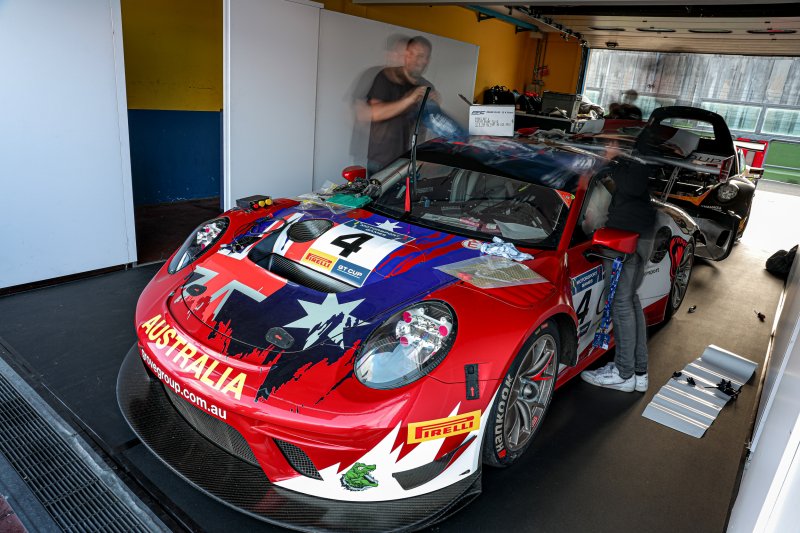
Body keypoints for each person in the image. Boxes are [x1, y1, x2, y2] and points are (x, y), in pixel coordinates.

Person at [580, 152, 657, 393]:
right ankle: (639, 373)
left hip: (622, 235)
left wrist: (610, 160)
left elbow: (631, 185)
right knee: (630, 300)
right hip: (640, 232)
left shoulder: (631, 156)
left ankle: (624, 374)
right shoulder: (640, 157)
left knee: (621, 304)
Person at [365, 36, 436, 174]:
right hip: (382, 161)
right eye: (411, 54)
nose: (415, 59)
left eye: (421, 56)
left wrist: (435, 108)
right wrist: (410, 99)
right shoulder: (386, 77)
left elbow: (426, 126)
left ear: (427, 60)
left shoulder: (427, 86)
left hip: (410, 162)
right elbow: (375, 113)